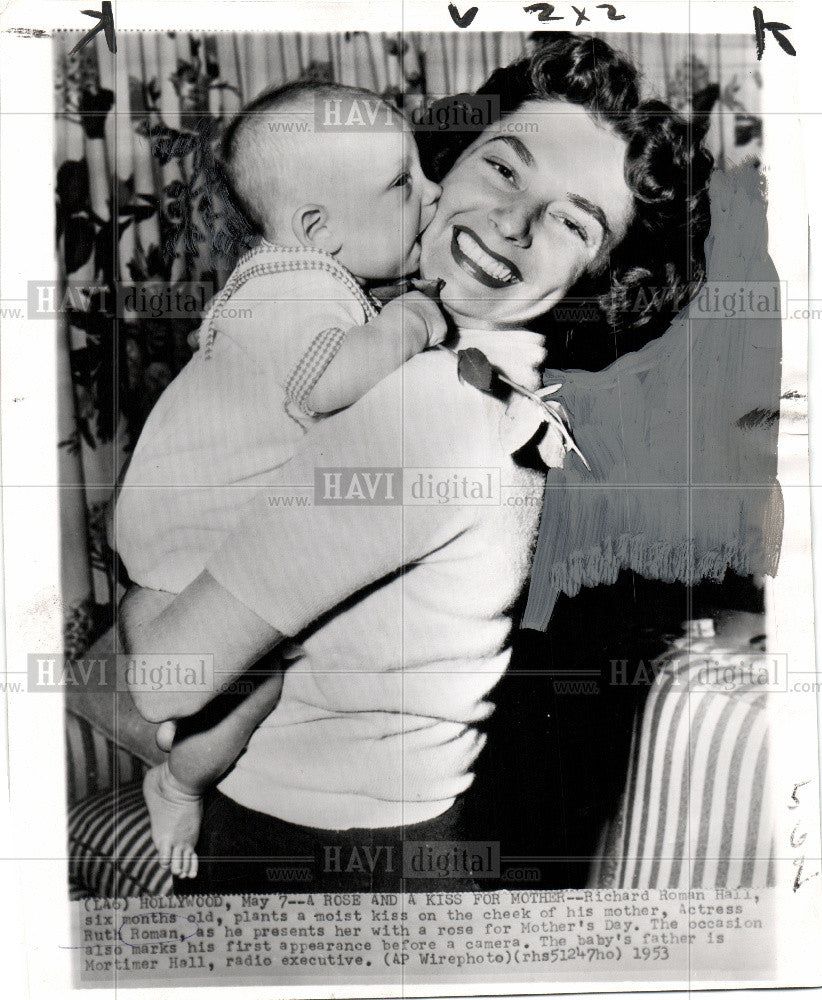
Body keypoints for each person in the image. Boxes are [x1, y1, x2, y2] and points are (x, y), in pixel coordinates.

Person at [119, 33, 713, 894]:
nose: (513, 224)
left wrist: (143, 579)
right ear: (446, 164)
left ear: (605, 277)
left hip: (307, 863)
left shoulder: (432, 406)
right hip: (382, 850)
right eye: (506, 170)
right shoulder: (489, 389)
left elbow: (165, 684)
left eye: (575, 221)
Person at [113, 80, 445, 877]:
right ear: (314, 230)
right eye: (403, 184)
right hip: (199, 532)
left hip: (183, 529)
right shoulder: (292, 290)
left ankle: (165, 734)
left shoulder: (294, 281)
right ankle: (179, 784)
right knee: (256, 684)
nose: (431, 194)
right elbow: (330, 383)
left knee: (232, 681)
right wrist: (418, 318)